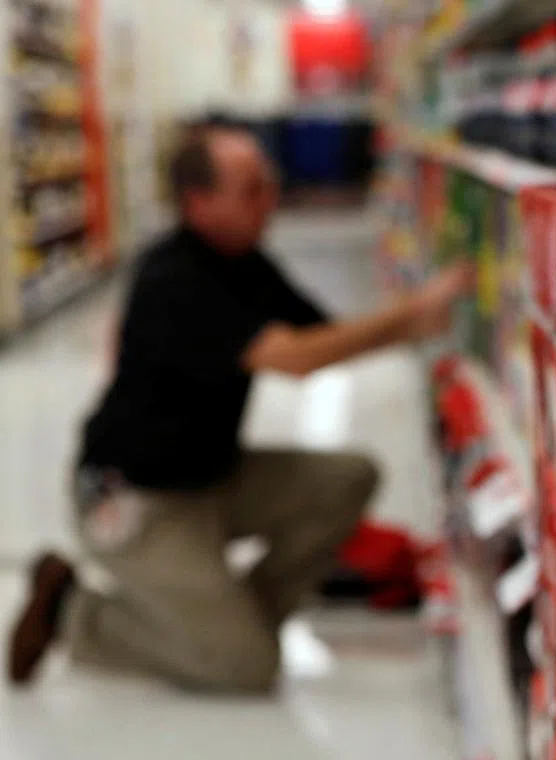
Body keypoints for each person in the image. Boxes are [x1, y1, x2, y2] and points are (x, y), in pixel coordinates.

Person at [6, 123, 473, 692]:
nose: (270, 199)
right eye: (251, 189)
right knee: (246, 671)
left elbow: (324, 337)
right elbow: (296, 359)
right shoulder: (174, 279)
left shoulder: (246, 262)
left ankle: (226, 625)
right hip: (135, 501)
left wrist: (408, 323)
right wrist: (410, 318)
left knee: (349, 477)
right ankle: (73, 612)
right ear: (199, 204)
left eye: (268, 183)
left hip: (211, 479)